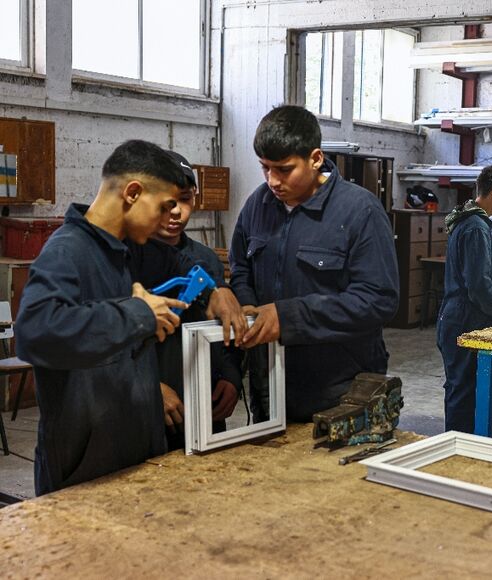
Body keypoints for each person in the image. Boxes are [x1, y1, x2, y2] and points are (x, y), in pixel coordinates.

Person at [16, 140, 192, 495]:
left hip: (127, 459)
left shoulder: (119, 253)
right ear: (132, 192)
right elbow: (35, 332)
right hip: (84, 471)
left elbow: (102, 331)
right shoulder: (68, 250)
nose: (165, 220)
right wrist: (136, 313)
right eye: (161, 207)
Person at [230, 105, 399, 422]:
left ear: (316, 158)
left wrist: (287, 317)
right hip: (270, 387)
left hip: (340, 393)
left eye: (284, 169)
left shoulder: (358, 211)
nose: (272, 181)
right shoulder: (257, 205)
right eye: (265, 168)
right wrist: (249, 307)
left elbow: (378, 300)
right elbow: (240, 269)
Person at [151, 151, 243, 450]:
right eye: (166, 202)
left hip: (206, 406)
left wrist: (231, 377)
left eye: (185, 199)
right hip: (152, 414)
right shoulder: (127, 261)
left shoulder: (206, 260)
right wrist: (149, 388)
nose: (176, 212)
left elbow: (225, 328)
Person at [437, 165, 492, 434]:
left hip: (461, 316)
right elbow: (480, 285)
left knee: (468, 388)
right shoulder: (476, 228)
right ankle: (457, 451)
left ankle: (466, 445)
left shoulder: (471, 222)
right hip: (464, 319)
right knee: (463, 392)